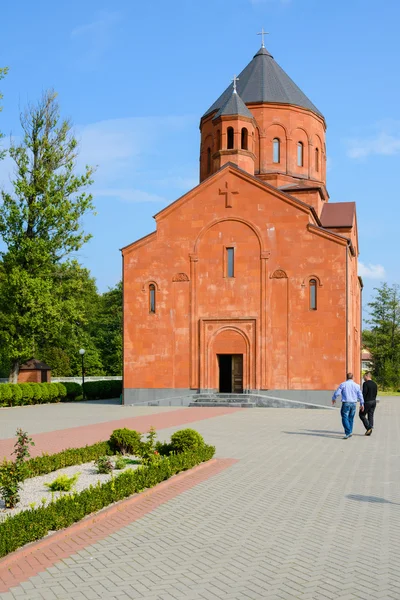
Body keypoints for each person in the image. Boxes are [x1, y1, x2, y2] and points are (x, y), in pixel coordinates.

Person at [332, 373, 364, 439]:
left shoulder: (343, 384)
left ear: (346, 377)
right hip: (354, 403)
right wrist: (362, 404)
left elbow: (337, 392)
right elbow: (360, 395)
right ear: (353, 377)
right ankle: (350, 431)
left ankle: (348, 432)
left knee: (344, 417)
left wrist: (334, 398)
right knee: (351, 418)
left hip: (346, 403)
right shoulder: (357, 385)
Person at [359, 372, 378, 436]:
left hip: (367, 402)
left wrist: (361, 404)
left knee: (361, 415)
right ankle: (371, 426)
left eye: (364, 377)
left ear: (367, 376)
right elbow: (376, 393)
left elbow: (364, 394)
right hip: (373, 401)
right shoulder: (375, 384)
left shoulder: (365, 384)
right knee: (371, 414)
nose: (363, 378)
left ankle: (369, 427)